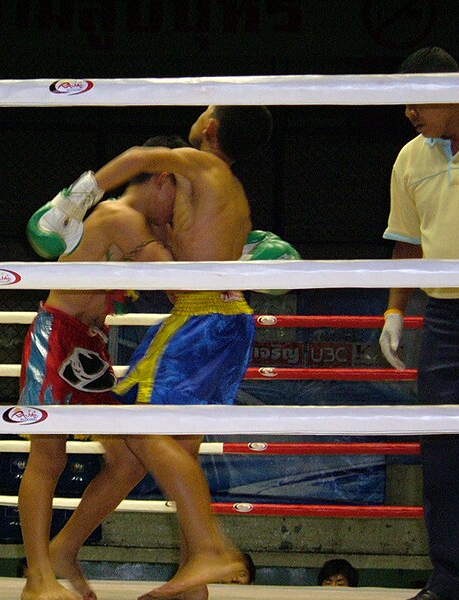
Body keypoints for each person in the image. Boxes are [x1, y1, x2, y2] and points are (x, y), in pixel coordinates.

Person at [46, 105, 291, 600]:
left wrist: (75, 201)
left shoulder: (199, 166)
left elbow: (139, 157)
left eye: (203, 111)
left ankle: (208, 549)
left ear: (211, 128)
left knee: (134, 422)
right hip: (227, 320)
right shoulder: (226, 191)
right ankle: (192, 586)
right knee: (179, 448)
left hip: (201, 318)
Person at [20, 135, 184, 600]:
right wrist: (237, 247)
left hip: (91, 348)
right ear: (162, 180)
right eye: (184, 191)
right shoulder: (118, 216)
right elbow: (175, 279)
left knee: (129, 459)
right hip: (57, 336)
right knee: (48, 457)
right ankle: (37, 578)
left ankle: (64, 548)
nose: (183, 204)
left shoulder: (146, 226)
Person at [379, 47, 459, 600]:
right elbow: (407, 241)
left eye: (416, 99)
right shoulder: (409, 158)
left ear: (450, 89)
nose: (408, 112)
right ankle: (449, 581)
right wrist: (396, 309)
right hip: (445, 315)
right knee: (442, 449)